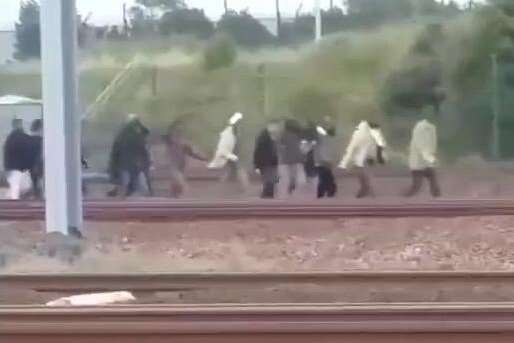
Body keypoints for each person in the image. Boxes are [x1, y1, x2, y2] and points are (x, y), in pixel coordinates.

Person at [338, 121, 387, 198]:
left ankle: (366, 189)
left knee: (362, 172)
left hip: (368, 157)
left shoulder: (371, 134)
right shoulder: (367, 134)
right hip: (367, 157)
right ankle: (368, 190)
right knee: (362, 173)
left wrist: (378, 157)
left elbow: (378, 146)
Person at [107, 114, 152, 197]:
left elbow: (114, 155)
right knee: (135, 188)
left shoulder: (121, 136)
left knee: (127, 188)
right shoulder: (135, 136)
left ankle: (121, 198)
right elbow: (144, 151)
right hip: (132, 168)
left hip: (129, 167)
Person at [163, 121, 207, 198]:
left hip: (180, 167)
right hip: (173, 167)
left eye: (179, 132)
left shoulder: (184, 144)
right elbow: (165, 137)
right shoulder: (170, 142)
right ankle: (183, 200)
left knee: (175, 186)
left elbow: (193, 153)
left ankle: (174, 199)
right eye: (176, 132)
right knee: (181, 184)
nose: (178, 134)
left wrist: (203, 158)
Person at [208, 112, 249, 191]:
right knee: (237, 168)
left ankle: (219, 187)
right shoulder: (234, 127)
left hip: (231, 148)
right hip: (233, 149)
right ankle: (244, 187)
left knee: (231, 169)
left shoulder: (232, 127)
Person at [404, 113, 441, 198]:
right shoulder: (421, 128)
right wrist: (430, 159)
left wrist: (431, 158)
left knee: (433, 181)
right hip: (419, 162)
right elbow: (421, 146)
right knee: (417, 186)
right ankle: (402, 199)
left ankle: (438, 199)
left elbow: (431, 145)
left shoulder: (432, 127)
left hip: (426, 163)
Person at [3, 119, 34, 199]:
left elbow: (6, 155)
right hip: (23, 168)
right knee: (22, 187)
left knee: (15, 189)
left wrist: (6, 168)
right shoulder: (25, 137)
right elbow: (29, 153)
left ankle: (12, 200)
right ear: (20, 124)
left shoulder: (9, 139)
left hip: (13, 168)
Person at [253, 121, 281, 199]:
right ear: (270, 126)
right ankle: (267, 196)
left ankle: (267, 195)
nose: (276, 128)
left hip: (272, 162)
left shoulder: (273, 136)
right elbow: (258, 151)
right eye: (275, 126)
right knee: (269, 179)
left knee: (272, 179)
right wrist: (257, 164)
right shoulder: (263, 137)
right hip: (265, 162)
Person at [279, 119, 306, 195]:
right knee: (294, 169)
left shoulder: (284, 134)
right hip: (296, 153)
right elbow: (301, 142)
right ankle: (293, 182)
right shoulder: (298, 133)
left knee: (290, 170)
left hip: (288, 154)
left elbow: (281, 144)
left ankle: (291, 182)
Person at [314, 125, 338, 198]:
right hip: (324, 162)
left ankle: (323, 193)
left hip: (321, 162)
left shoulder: (324, 139)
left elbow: (318, 150)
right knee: (327, 178)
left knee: (324, 178)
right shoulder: (328, 140)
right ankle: (329, 192)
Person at [28, 119, 43, 199]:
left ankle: (36, 196)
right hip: (40, 165)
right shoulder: (41, 140)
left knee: (35, 184)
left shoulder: (28, 139)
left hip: (31, 166)